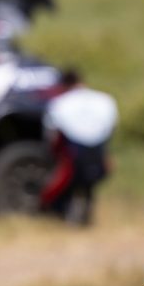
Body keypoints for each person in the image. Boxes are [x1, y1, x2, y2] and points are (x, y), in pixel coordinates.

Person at [39, 69, 119, 225]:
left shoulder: (59, 103)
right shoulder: (104, 99)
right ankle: (86, 217)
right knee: (89, 188)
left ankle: (64, 217)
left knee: (68, 186)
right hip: (98, 150)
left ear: (63, 85)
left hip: (74, 152)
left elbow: (52, 133)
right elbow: (111, 128)